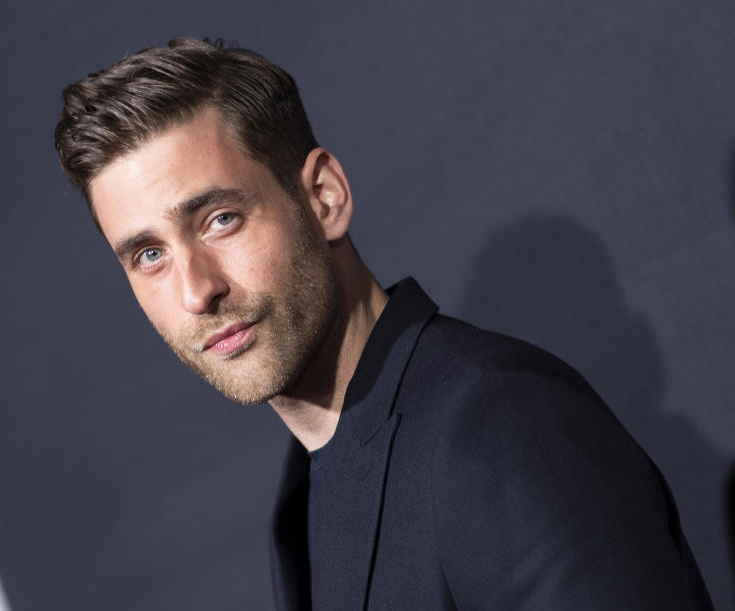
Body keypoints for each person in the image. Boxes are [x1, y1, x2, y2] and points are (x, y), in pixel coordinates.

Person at [54, 38, 714, 610]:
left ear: (325, 198)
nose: (197, 290)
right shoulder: (308, 491)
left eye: (220, 218)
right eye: (149, 255)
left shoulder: (498, 426)